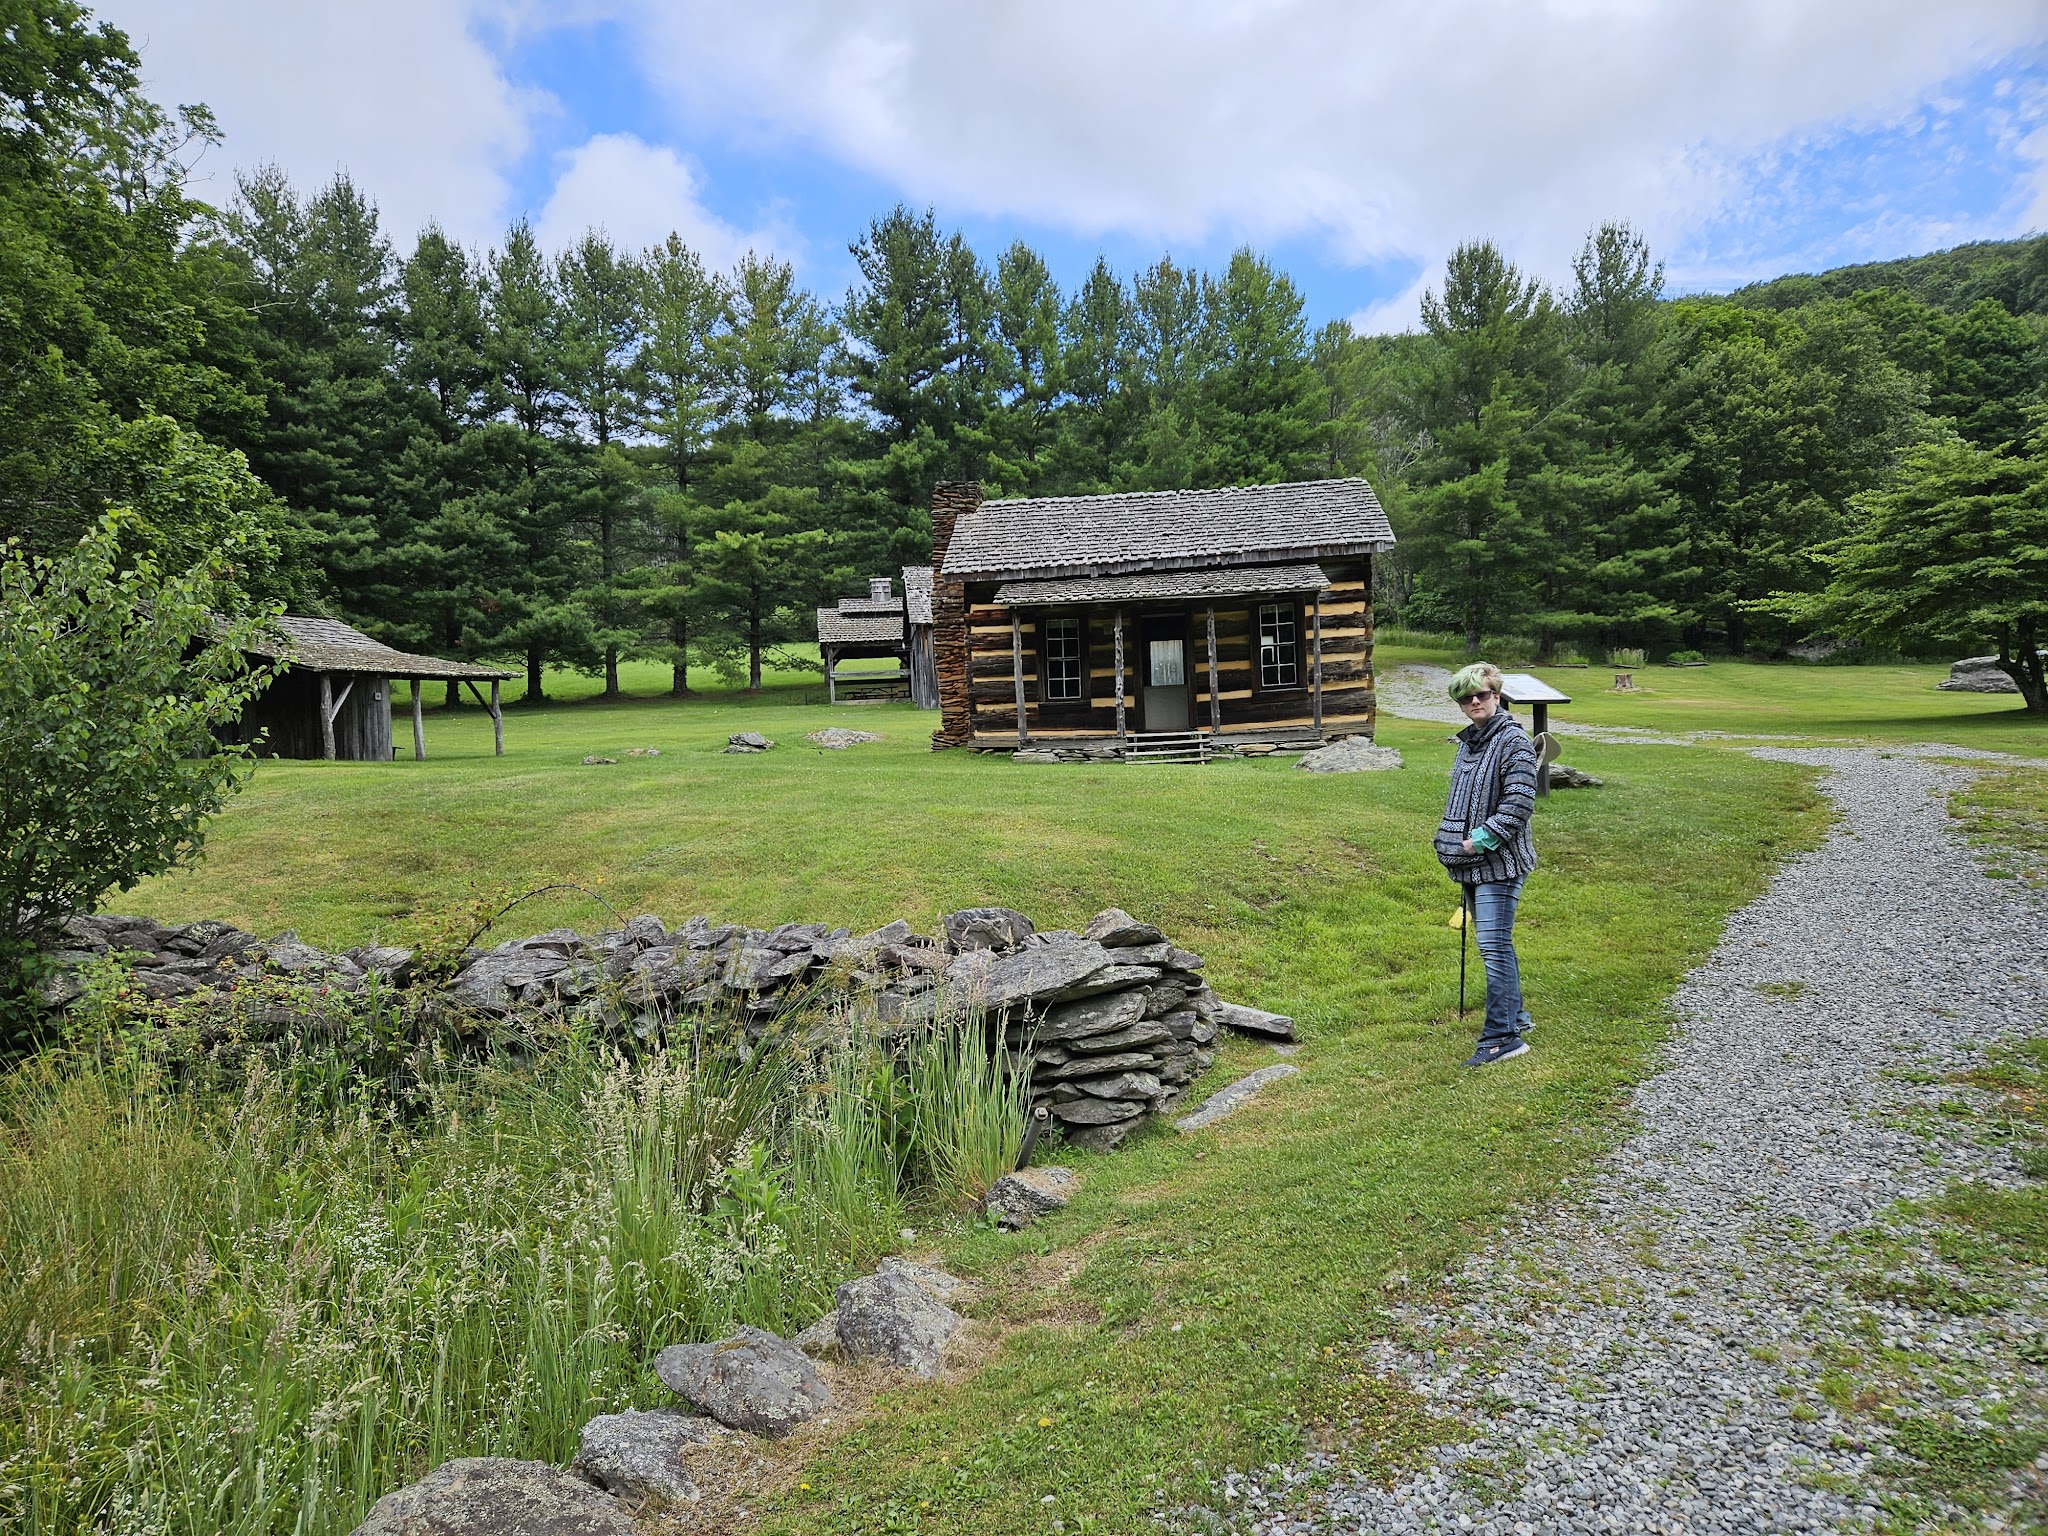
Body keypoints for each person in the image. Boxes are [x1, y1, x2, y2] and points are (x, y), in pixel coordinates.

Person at [1433, 662, 1540, 1066]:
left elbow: (1519, 803)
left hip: (1501, 864)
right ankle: (1517, 1017)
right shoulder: (1469, 742)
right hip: (1471, 864)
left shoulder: (1513, 740)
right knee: (1497, 946)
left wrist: (1477, 841)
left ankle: (1502, 1038)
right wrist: (1449, 841)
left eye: (1481, 694)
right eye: (1466, 697)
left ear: (1496, 696)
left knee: (1494, 948)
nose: (1474, 702)